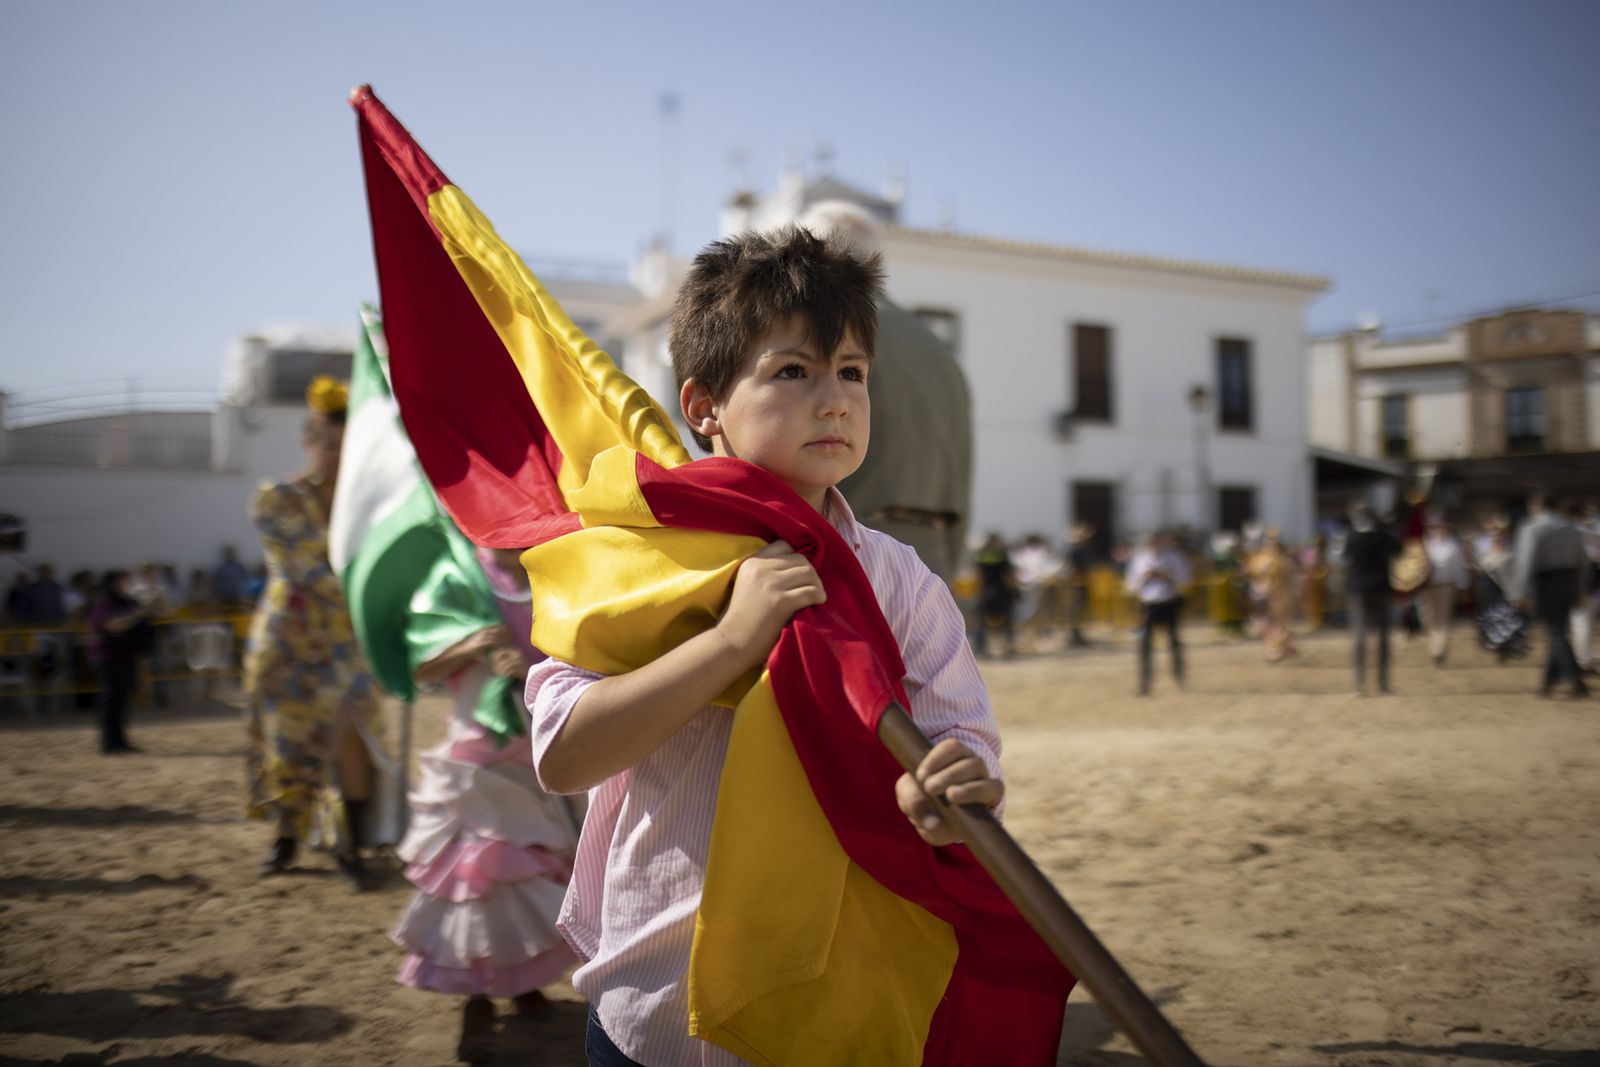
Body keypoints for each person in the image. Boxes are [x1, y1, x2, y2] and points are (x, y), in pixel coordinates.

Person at [526, 226, 1008, 1066]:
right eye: (793, 371)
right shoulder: (638, 559)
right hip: (657, 998)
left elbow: (960, 742)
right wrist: (730, 642)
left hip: (834, 997)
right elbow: (566, 755)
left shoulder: (902, 583)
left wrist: (953, 789)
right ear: (703, 405)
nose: (836, 400)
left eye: (852, 372)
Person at [392, 546, 577, 1063]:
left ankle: (522, 983)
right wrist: (473, 643)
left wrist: (531, 666)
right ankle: (475, 1000)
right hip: (475, 754)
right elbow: (422, 663)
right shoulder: (454, 572)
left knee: (531, 873)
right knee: (475, 877)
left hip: (539, 746)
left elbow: (587, 654)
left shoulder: (556, 569)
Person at [243, 377, 383, 886]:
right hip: (289, 641)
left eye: (345, 448)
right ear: (308, 443)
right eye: (327, 445)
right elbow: (304, 568)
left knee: (352, 736)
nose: (336, 456)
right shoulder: (277, 498)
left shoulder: (367, 507)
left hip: (347, 642)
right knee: (290, 742)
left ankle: (352, 847)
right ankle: (286, 839)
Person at [799, 201, 972, 583]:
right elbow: (961, 473)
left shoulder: (824, 333)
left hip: (847, 546)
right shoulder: (940, 352)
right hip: (933, 556)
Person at [1509, 493, 1591, 699]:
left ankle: (1576, 680)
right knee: (1558, 632)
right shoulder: (1570, 527)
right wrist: (1580, 590)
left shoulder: (1532, 528)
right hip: (1569, 581)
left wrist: (1519, 592)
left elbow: (1525, 562)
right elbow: (1582, 561)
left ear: (1536, 506)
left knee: (1555, 633)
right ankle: (1548, 682)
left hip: (1546, 582)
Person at [87, 570, 155, 753]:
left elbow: (158, 610)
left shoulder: (128, 602)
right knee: (111, 701)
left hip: (126, 655)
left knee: (123, 701)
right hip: (108, 656)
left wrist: (152, 595)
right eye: (124, 580)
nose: (128, 583)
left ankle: (120, 741)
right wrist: (136, 615)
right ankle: (109, 743)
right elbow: (112, 625)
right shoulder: (104, 603)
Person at [1343, 503, 1400, 695]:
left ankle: (1359, 684)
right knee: (1383, 637)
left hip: (1358, 590)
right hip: (1382, 588)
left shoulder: (1351, 535)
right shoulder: (1383, 534)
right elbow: (1399, 551)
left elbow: (1345, 559)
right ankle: (1383, 683)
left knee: (1359, 638)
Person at [1126, 531, 1190, 695]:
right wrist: (1144, 578)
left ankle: (1179, 675)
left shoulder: (1173, 557)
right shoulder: (1140, 560)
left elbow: (1185, 579)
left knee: (1174, 640)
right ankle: (1145, 683)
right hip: (1149, 604)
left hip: (1168, 601)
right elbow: (1131, 585)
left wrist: (1167, 576)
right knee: (1145, 644)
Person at [1474, 519, 1528, 662]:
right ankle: (1498, 646)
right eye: (1492, 533)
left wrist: (1516, 595)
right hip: (1489, 593)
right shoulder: (1483, 554)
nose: (1495, 536)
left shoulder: (1510, 555)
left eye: (1498, 533)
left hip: (1505, 592)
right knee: (1492, 620)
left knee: (1507, 620)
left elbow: (1514, 577)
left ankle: (1506, 647)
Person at [1419, 515, 1469, 666]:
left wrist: (1463, 586)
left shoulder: (1453, 546)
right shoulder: (1426, 544)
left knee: (1443, 619)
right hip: (1428, 586)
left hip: (1446, 585)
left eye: (1440, 526)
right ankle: (1434, 647)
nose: (1437, 530)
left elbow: (1459, 568)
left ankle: (1438, 651)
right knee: (1429, 618)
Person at [1246, 531, 1299, 663]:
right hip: (1264, 595)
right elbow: (1253, 572)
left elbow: (1289, 576)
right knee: (1266, 624)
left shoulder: (1284, 561)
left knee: (1279, 624)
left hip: (1281, 596)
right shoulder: (1260, 558)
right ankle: (1282, 648)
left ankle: (1278, 649)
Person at [972, 532, 1018, 657]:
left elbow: (978, 576)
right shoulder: (1002, 556)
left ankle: (980, 647)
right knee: (1007, 620)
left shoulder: (981, 556)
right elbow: (1007, 577)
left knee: (982, 621)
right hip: (1001, 592)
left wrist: (978, 592)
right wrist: (1014, 592)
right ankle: (1009, 645)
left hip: (986, 591)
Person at [1569, 503, 1599, 675]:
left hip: (1579, 582)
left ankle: (1582, 659)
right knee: (1584, 622)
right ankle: (1583, 657)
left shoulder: (1574, 532)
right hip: (1591, 582)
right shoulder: (1591, 532)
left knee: (1580, 622)